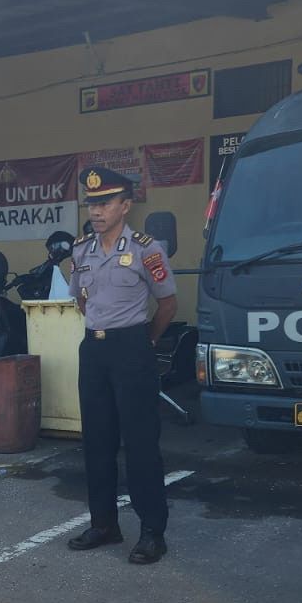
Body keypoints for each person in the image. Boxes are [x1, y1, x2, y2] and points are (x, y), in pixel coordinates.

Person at [65, 166, 177, 564]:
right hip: (94, 352)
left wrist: (145, 341)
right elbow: (81, 300)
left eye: (105, 203)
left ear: (125, 206)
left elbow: (168, 304)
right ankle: (104, 524)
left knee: (141, 444)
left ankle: (152, 532)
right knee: (97, 442)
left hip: (133, 350)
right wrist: (103, 330)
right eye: (92, 203)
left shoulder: (147, 249)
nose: (96, 211)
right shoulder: (81, 250)